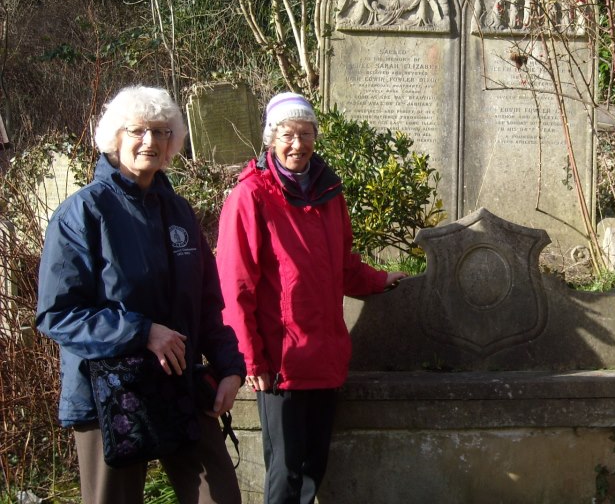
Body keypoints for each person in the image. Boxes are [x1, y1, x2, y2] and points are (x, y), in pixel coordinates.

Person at [36, 86, 245, 504]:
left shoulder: (179, 211)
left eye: (162, 132)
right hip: (107, 394)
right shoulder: (82, 214)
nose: (150, 141)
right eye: (139, 131)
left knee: (220, 496)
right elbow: (57, 314)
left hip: (180, 385)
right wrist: (143, 332)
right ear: (116, 136)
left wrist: (229, 367)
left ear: (173, 142)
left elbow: (205, 304)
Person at [216, 92, 408, 504]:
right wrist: (251, 359)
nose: (297, 144)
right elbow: (236, 286)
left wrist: (380, 280)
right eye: (288, 134)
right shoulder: (249, 197)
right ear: (271, 137)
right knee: (284, 475)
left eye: (306, 134)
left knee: (312, 470)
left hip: (324, 354)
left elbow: (343, 267)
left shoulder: (328, 194)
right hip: (280, 362)